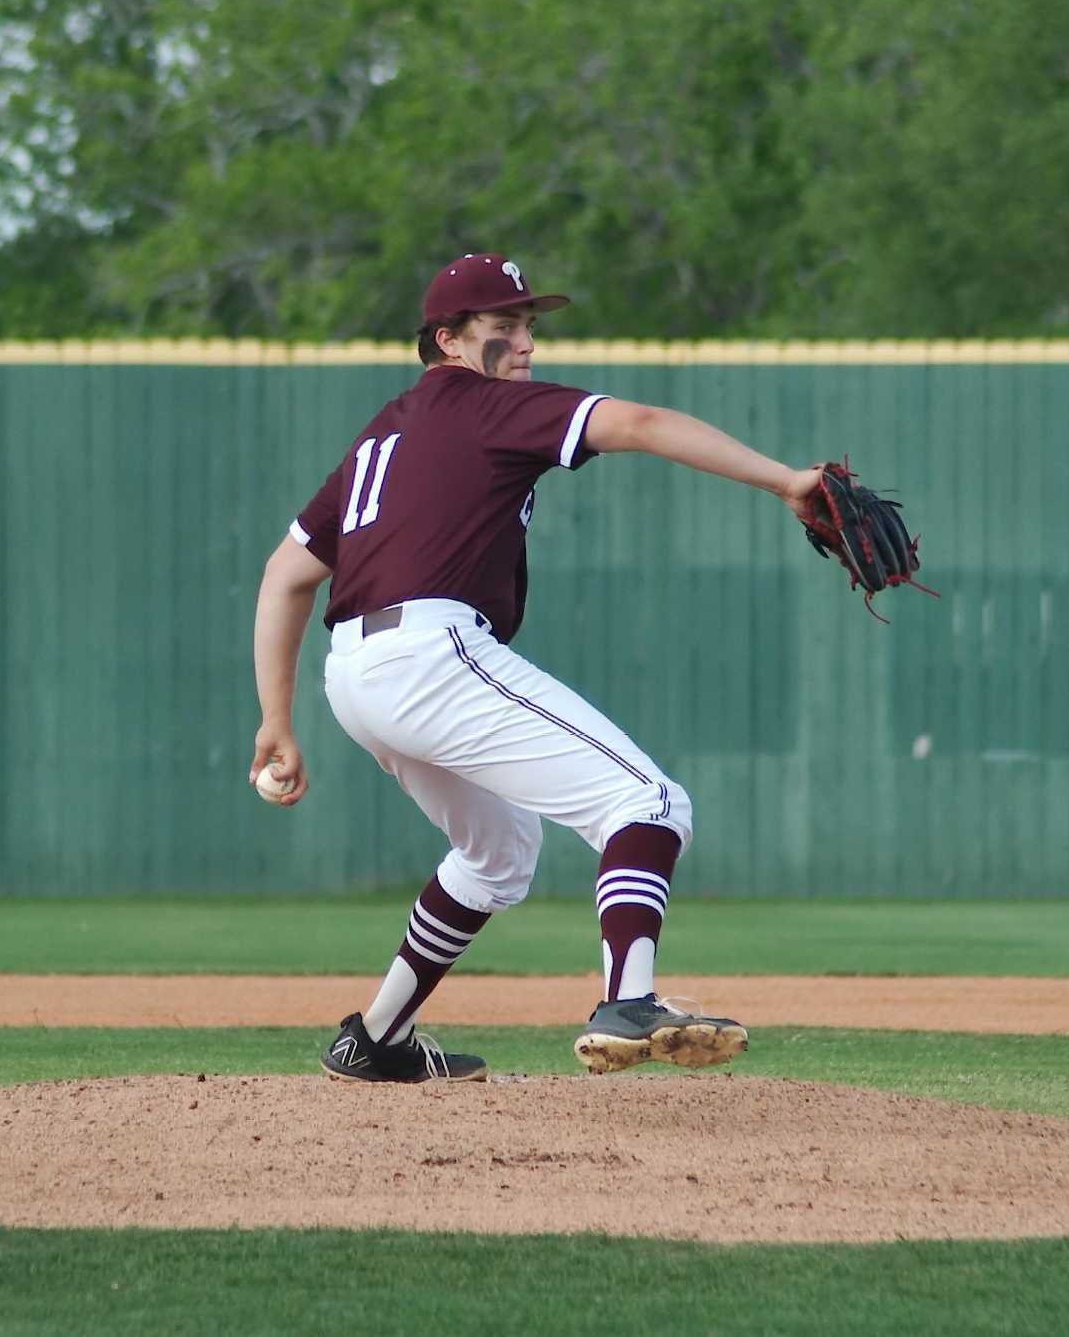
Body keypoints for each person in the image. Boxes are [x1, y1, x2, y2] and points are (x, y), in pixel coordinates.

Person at [249, 253, 826, 1083]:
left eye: (528, 327)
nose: (524, 345)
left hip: (356, 675)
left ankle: (374, 1039)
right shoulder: (487, 407)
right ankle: (630, 999)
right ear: (446, 340)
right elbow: (644, 424)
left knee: (497, 854)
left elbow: (285, 573)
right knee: (650, 801)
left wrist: (277, 718)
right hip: (430, 653)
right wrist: (784, 482)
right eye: (502, 329)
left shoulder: (385, 430)